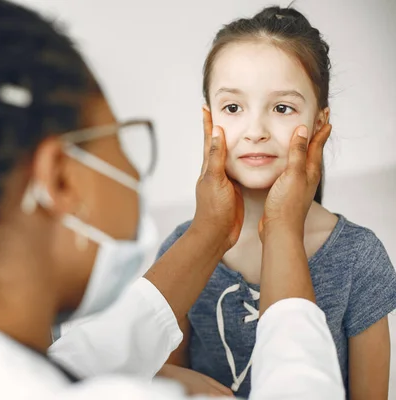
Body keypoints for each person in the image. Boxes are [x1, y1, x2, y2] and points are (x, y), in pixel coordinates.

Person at [0, 1, 343, 399]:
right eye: (121, 138)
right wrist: (285, 235)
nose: (129, 167)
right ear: (59, 179)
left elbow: (76, 360)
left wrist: (210, 233)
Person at [156, 6, 396, 400]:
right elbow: (160, 375)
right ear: (208, 120)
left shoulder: (358, 257)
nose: (255, 131)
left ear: (319, 123)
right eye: (233, 108)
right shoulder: (181, 253)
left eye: (282, 108)